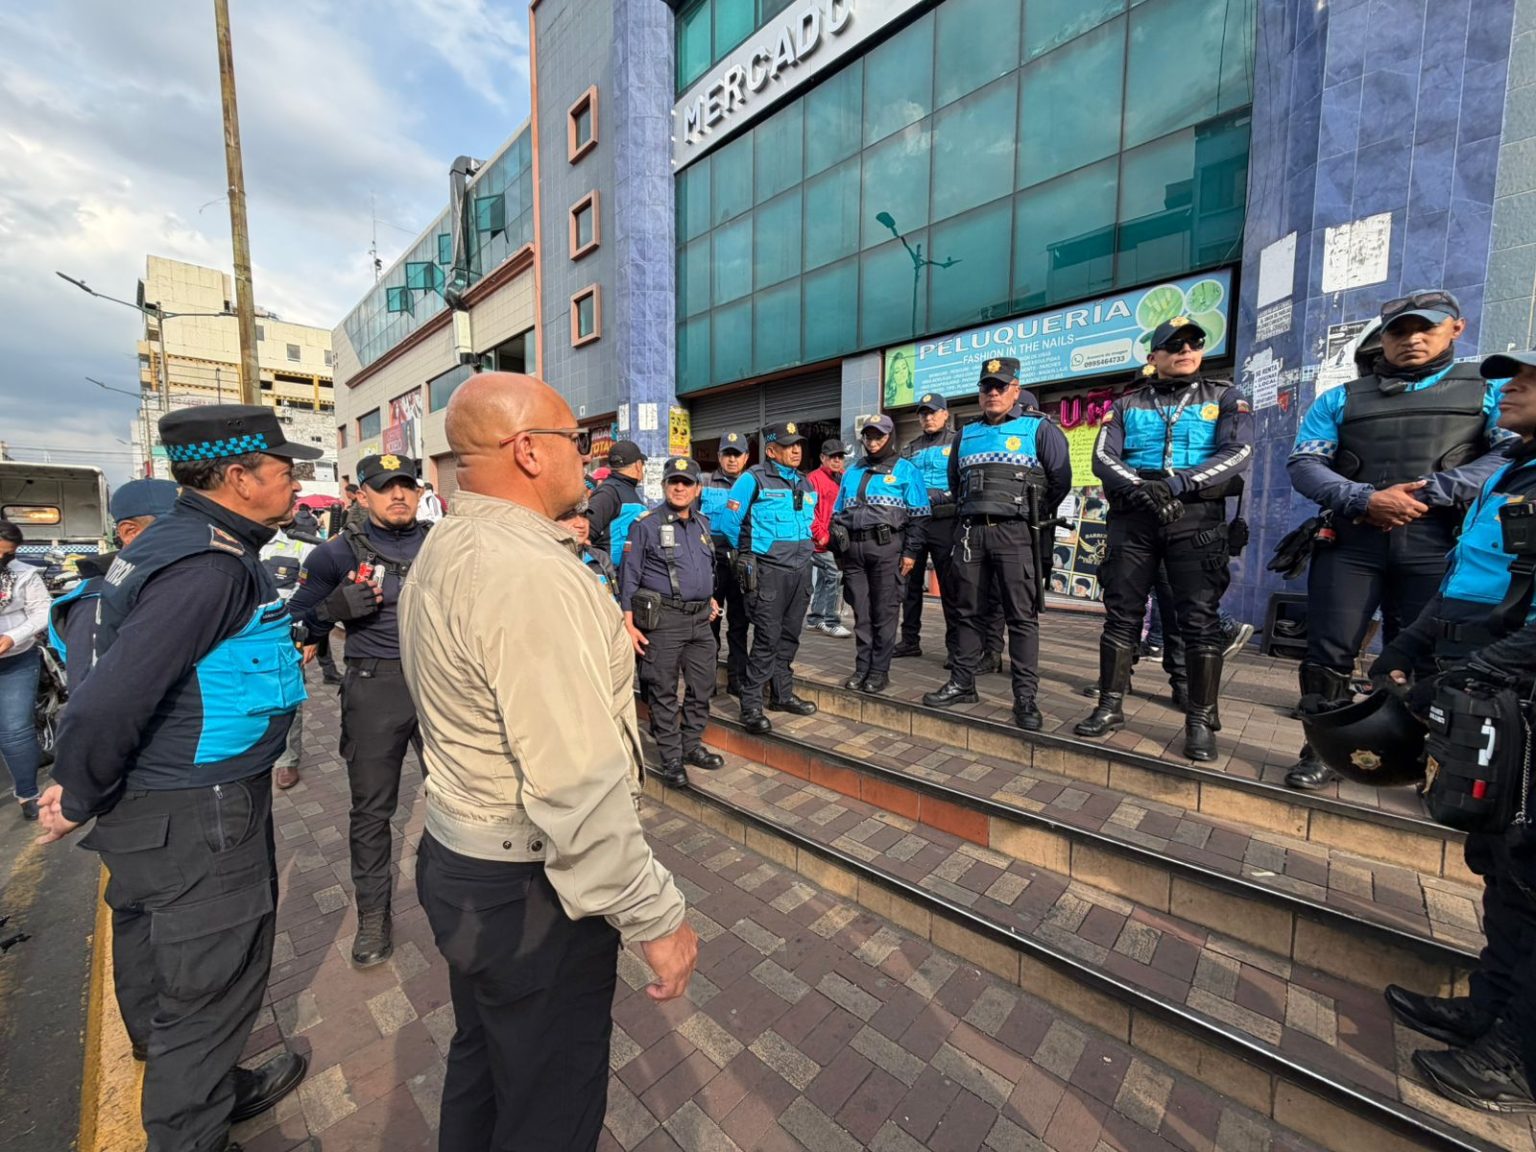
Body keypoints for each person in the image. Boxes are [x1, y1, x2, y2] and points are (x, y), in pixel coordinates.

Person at [398, 373, 697, 1150]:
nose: (588, 458)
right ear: (529, 450)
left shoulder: (454, 543)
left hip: (464, 862)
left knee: (487, 1066)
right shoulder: (524, 573)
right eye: (577, 441)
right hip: (530, 890)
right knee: (549, 1105)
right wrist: (654, 916)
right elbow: (575, 781)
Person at [34, 404, 315, 1152]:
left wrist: (86, 782)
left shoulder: (176, 540)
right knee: (211, 983)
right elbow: (111, 697)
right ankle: (192, 1125)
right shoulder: (207, 567)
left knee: (158, 956)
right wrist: (78, 790)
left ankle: (199, 1086)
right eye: (284, 470)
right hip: (199, 810)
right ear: (239, 476)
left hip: (163, 800)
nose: (296, 483)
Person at [1369, 349, 1536, 1113]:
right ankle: (1489, 1008)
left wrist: (1480, 672)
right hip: (1487, 685)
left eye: (1528, 381)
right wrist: (1409, 646)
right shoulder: (1510, 468)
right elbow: (1470, 574)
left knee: (1531, 869)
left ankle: (1518, 1058)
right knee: (1501, 861)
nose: (1510, 390)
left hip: (1516, 687)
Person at [1284, 290, 1517, 789]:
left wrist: (1429, 493)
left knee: (1426, 656)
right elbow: (1305, 464)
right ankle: (1320, 750)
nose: (1412, 339)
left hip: (1439, 542)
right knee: (1327, 652)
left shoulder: (1490, 391)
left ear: (1456, 328)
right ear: (1383, 336)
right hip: (1353, 542)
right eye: (1399, 330)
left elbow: (1509, 457)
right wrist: (1365, 499)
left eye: (1425, 327)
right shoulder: (1341, 398)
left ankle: (1425, 762)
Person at [1074, 318, 1253, 760]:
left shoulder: (1225, 396)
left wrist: (1176, 485)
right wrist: (1143, 489)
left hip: (1196, 518)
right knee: (1121, 615)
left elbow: (1238, 452)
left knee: (1199, 620)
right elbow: (1102, 458)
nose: (1185, 350)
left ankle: (1200, 720)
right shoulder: (1126, 403)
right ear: (1153, 357)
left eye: (1194, 343)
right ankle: (1109, 706)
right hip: (1134, 518)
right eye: (1174, 345)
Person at [287, 452, 429, 967]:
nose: (398, 495)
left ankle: (463, 899)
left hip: (440, 686)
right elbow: (296, 626)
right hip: (374, 688)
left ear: (418, 492)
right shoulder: (333, 554)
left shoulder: (442, 543)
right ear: (361, 495)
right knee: (372, 811)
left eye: (406, 485)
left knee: (462, 798)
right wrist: (332, 610)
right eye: (384, 487)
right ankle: (373, 915)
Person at [924, 359, 1072, 730]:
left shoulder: (1040, 429)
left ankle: (1025, 698)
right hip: (972, 533)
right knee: (966, 612)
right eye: (986, 386)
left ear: (1015, 390)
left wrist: (1025, 514)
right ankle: (963, 683)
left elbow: (1060, 482)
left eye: (1000, 386)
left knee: (1021, 617)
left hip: (1015, 534)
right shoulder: (965, 434)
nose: (993, 392)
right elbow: (956, 483)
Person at [620, 457, 724, 787]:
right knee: (663, 691)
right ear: (664, 486)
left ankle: (691, 745)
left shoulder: (703, 524)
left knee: (702, 686)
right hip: (663, 621)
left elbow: (704, 568)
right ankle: (671, 758)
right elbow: (629, 577)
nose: (680, 488)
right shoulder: (646, 525)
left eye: (686, 482)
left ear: (697, 488)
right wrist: (628, 624)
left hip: (700, 621)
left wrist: (709, 597)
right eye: (673, 482)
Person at [714, 421, 821, 735]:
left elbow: (809, 522)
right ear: (772, 450)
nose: (796, 450)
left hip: (801, 571)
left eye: (798, 444)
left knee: (790, 636)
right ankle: (750, 705)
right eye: (788, 446)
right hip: (768, 572)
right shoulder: (753, 479)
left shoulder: (804, 482)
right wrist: (747, 553)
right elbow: (729, 521)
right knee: (766, 639)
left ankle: (782, 695)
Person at [49, 478, 180, 694]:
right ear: (130, 532)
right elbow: (89, 691)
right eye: (178, 528)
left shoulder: (168, 582)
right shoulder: (97, 600)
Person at [833, 416, 930, 693]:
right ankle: (862, 667)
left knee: (884, 613)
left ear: (890, 437)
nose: (873, 441)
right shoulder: (852, 470)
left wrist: (911, 552)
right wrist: (839, 549)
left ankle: (879, 671)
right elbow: (837, 512)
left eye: (879, 436)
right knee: (861, 614)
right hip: (854, 552)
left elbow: (920, 516)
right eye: (869, 436)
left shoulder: (906, 470)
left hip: (887, 549)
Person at [895, 392, 957, 660]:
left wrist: (940, 496)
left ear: (945, 414)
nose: (928, 418)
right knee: (909, 586)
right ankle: (910, 641)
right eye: (923, 413)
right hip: (915, 524)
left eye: (933, 412)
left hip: (946, 521)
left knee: (951, 587)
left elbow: (964, 480)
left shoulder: (959, 442)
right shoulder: (909, 449)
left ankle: (956, 648)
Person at [0, 520, 50, 820]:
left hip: (16, 661)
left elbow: (43, 611)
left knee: (15, 730)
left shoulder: (24, 574)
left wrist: (12, 637)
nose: (2, 558)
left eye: (7, 554)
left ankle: (28, 795)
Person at [700, 431, 753, 694]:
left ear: (746, 457)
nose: (732, 460)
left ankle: (737, 680)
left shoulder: (753, 484)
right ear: (719, 456)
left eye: (737, 454)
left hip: (741, 564)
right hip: (711, 565)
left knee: (739, 624)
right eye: (727, 454)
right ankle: (706, 681)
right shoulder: (703, 482)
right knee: (708, 624)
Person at [807, 439, 852, 638]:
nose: (836, 460)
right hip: (819, 541)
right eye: (832, 457)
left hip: (837, 540)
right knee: (835, 574)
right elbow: (808, 511)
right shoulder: (813, 479)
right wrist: (820, 535)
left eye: (840, 457)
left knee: (825, 577)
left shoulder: (844, 477)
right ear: (822, 458)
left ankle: (815, 618)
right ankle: (832, 621)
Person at [586, 440, 648, 566]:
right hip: (611, 574)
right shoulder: (609, 492)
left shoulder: (625, 490)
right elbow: (585, 534)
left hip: (627, 574)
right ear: (638, 465)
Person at [557, 505, 619, 600]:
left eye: (584, 516)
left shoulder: (600, 557)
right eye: (569, 516)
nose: (581, 524)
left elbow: (612, 599)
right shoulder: (545, 559)